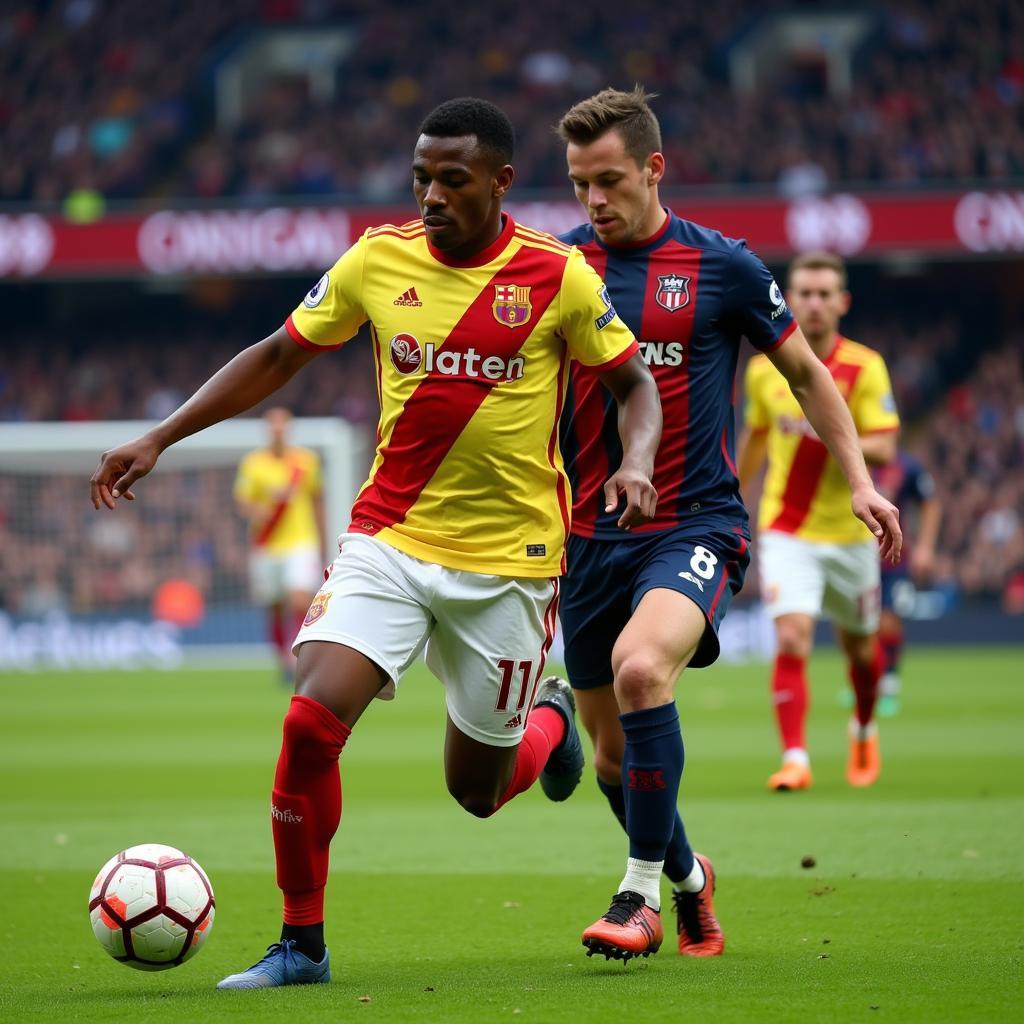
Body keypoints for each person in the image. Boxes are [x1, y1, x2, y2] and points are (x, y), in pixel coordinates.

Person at [89, 97, 662, 989]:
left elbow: (635, 385)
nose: (431, 195)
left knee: (477, 791)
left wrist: (636, 461)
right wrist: (162, 435)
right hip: (389, 539)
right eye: (421, 178)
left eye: (452, 179)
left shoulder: (559, 277)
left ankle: (551, 725)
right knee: (309, 724)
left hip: (508, 568)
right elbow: (278, 355)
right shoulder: (375, 259)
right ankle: (301, 945)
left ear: (501, 182)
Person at [554, 88, 901, 964]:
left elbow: (810, 376)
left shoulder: (724, 267)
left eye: (609, 180)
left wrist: (859, 479)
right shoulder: (557, 270)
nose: (594, 201)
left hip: (695, 523)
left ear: (653, 168)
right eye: (579, 184)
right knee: (607, 763)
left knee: (642, 672)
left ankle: (635, 900)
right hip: (590, 539)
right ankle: (689, 881)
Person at [737, 251, 900, 793]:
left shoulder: (865, 367)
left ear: (842, 302)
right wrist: (732, 493)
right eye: (802, 292)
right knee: (791, 636)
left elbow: (886, 444)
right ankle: (795, 758)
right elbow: (758, 437)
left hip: (854, 534)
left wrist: (830, 430)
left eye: (823, 293)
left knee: (860, 649)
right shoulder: (764, 371)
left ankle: (863, 727)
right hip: (786, 528)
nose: (812, 302)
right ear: (789, 299)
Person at [234, 407, 325, 682]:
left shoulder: (306, 461)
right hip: (267, 544)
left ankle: (296, 656)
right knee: (274, 605)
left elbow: (316, 500)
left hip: (301, 540)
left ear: (289, 430)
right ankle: (282, 661)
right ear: (267, 431)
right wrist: (258, 510)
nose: (278, 432)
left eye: (282, 427)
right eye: (273, 427)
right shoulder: (253, 464)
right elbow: (242, 501)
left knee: (299, 600)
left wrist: (322, 538)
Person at [872, 451, 942, 715]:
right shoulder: (849, 458)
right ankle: (863, 681)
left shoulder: (907, 466)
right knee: (861, 622)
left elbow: (931, 503)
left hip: (894, 558)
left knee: (889, 619)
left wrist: (925, 546)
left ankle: (889, 684)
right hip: (857, 555)